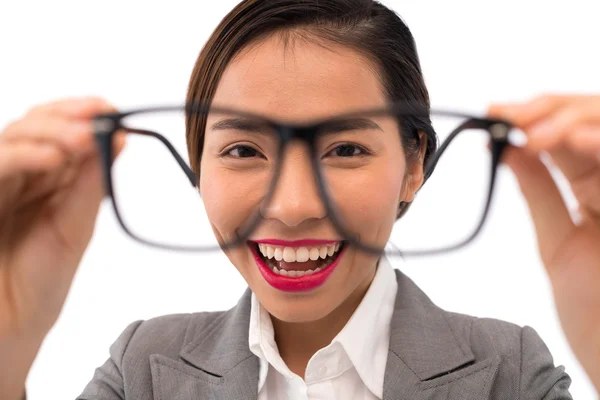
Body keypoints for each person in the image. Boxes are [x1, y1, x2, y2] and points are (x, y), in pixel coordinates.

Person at [0, 0, 598, 399]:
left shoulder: (510, 371)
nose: (291, 206)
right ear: (197, 166)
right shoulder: (142, 369)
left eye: (344, 150)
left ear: (414, 165)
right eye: (242, 151)